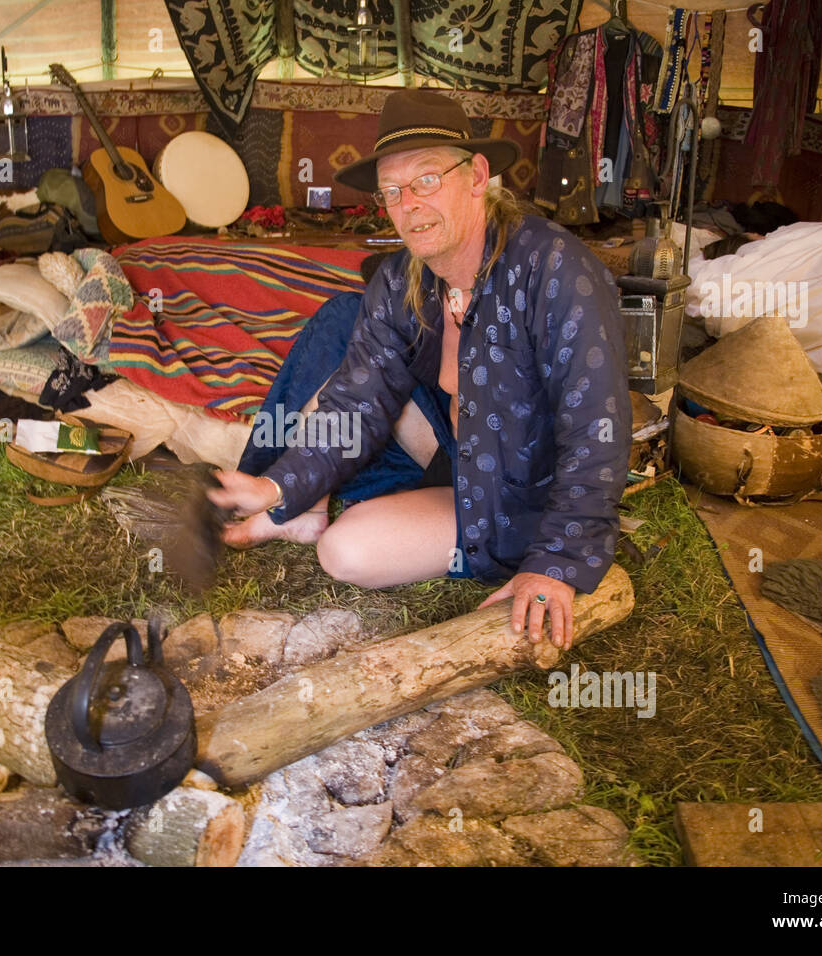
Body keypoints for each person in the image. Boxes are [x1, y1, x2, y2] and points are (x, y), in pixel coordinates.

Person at [208, 89, 631, 650]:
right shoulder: (404, 279)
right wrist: (280, 482)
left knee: (346, 551)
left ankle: (488, 539)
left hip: (520, 494)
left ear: (477, 176)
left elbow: (595, 429)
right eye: (392, 190)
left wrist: (556, 561)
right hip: (454, 459)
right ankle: (298, 503)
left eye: (427, 179)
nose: (408, 203)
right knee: (345, 328)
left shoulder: (554, 271)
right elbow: (359, 402)